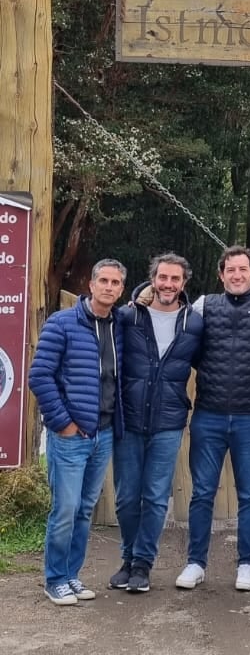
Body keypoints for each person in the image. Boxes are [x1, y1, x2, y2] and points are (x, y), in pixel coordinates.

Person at [175, 245, 250, 592]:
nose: (237, 275)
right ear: (221, 275)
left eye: (243, 269)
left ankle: (247, 565)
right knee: (202, 493)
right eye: (230, 270)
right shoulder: (204, 305)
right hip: (208, 415)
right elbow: (178, 335)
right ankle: (195, 563)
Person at [28, 258, 126, 605]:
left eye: (116, 283)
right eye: (104, 280)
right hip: (71, 436)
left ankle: (72, 575)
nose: (109, 287)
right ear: (91, 283)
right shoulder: (63, 323)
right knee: (66, 508)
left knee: (84, 508)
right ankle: (54, 578)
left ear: (122, 289)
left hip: (103, 434)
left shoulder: (120, 326)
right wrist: (63, 424)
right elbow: (39, 376)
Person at [110, 253, 203, 593]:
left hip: (168, 420)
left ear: (184, 283)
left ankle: (143, 565)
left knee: (155, 497)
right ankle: (127, 558)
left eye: (175, 279)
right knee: (125, 496)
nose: (168, 284)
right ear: (152, 279)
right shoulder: (128, 316)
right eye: (162, 277)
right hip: (129, 419)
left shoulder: (194, 322)